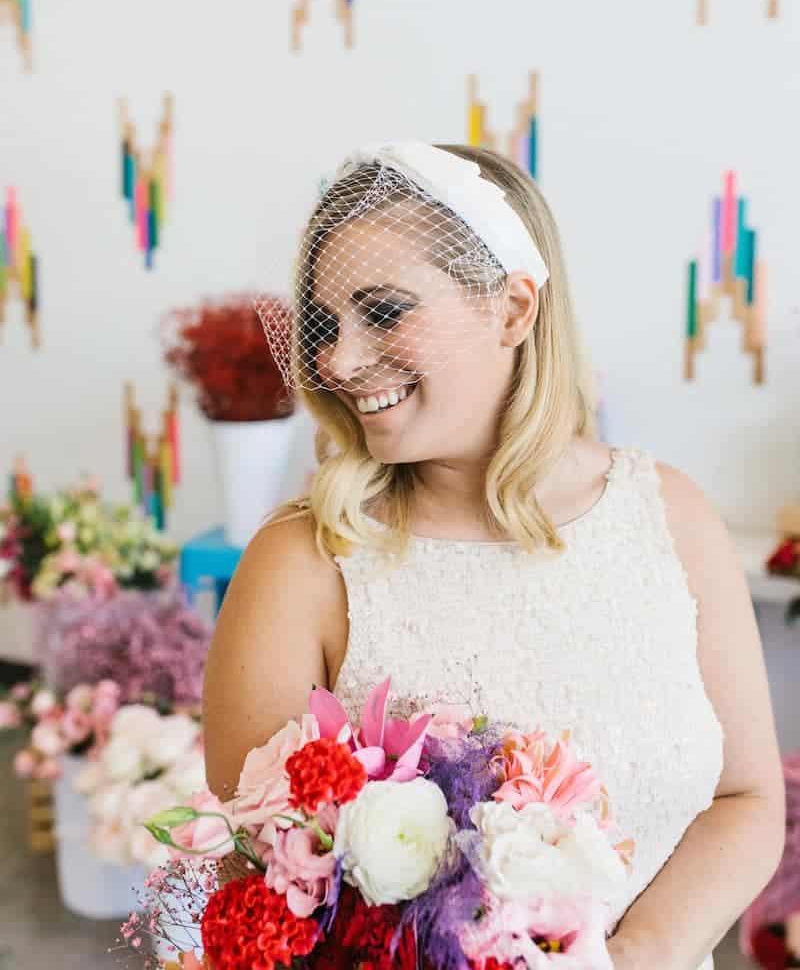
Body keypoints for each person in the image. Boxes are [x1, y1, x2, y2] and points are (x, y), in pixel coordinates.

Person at [204, 141, 785, 970]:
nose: (337, 360)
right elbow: (265, 888)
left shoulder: (672, 518)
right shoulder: (302, 563)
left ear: (514, 309)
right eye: (327, 326)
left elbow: (747, 798)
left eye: (384, 312)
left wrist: (634, 957)